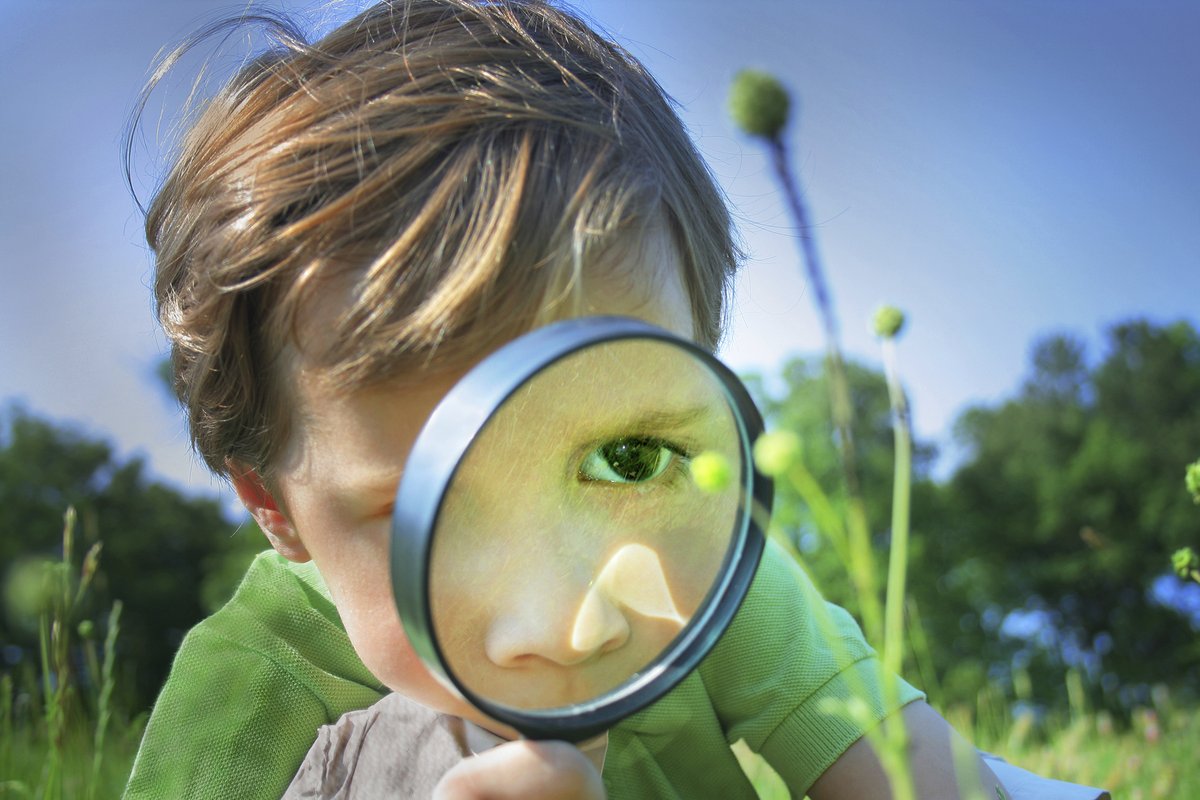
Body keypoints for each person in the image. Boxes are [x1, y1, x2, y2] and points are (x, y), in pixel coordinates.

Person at [122, 1, 1009, 797]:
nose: (566, 625)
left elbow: (925, 782)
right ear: (273, 504)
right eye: (431, 512)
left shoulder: (710, 576)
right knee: (417, 735)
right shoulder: (250, 676)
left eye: (629, 460)